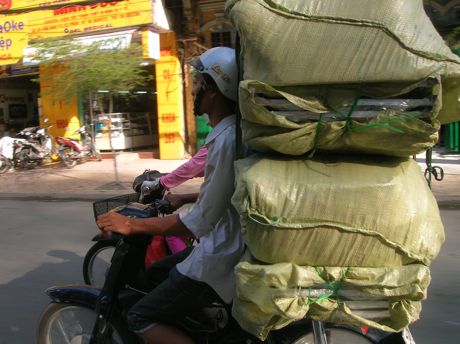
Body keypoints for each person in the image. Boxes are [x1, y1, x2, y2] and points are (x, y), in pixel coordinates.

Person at [97, 46, 242, 344]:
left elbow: (195, 226)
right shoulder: (226, 135)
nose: (194, 92)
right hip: (223, 244)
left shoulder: (226, 141)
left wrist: (131, 225)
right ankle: (207, 321)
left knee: (140, 316)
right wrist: (183, 198)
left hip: (219, 254)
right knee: (158, 272)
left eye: (199, 84)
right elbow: (224, 192)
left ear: (214, 91)